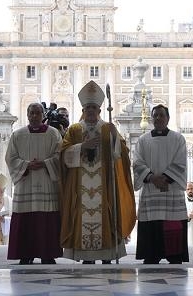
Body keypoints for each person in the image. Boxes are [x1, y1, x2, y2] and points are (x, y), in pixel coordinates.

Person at [60, 80, 136, 264]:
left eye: (94, 108)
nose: (91, 111)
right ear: (83, 110)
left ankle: (107, 254)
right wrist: (82, 146)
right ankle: (86, 256)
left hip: (104, 184)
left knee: (107, 214)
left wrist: (115, 140)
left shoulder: (108, 128)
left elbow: (121, 153)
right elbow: (63, 154)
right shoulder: (74, 129)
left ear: (100, 110)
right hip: (80, 187)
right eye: (88, 108)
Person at [6, 102, 63, 264]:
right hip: (25, 182)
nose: (34, 116)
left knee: (47, 220)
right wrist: (26, 165)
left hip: (46, 180)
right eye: (31, 113)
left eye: (38, 113)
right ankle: (25, 254)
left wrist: (45, 163)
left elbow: (60, 155)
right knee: (25, 219)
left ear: (43, 115)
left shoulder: (53, 134)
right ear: (27, 115)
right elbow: (10, 158)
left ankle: (47, 254)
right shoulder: (18, 135)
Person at [132, 104, 189, 264]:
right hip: (151, 188)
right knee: (152, 224)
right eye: (155, 115)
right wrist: (152, 178)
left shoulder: (178, 139)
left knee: (172, 222)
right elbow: (137, 162)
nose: (158, 118)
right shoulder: (143, 140)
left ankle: (174, 255)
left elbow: (180, 162)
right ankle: (151, 254)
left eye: (161, 115)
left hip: (171, 189)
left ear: (168, 118)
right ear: (151, 118)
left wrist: (165, 179)